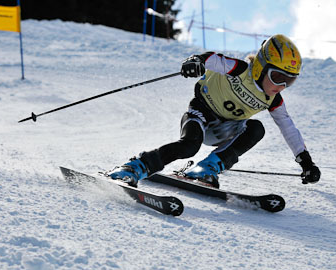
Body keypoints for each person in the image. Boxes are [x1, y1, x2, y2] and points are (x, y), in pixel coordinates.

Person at [107, 34, 321, 188]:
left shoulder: (274, 99)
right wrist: (197, 61)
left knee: (256, 128)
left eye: (289, 81)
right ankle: (135, 166)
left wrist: (306, 162)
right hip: (201, 114)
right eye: (278, 77)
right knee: (189, 146)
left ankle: (207, 168)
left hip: (226, 130)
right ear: (261, 67)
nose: (281, 86)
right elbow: (212, 59)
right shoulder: (240, 70)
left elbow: (289, 129)